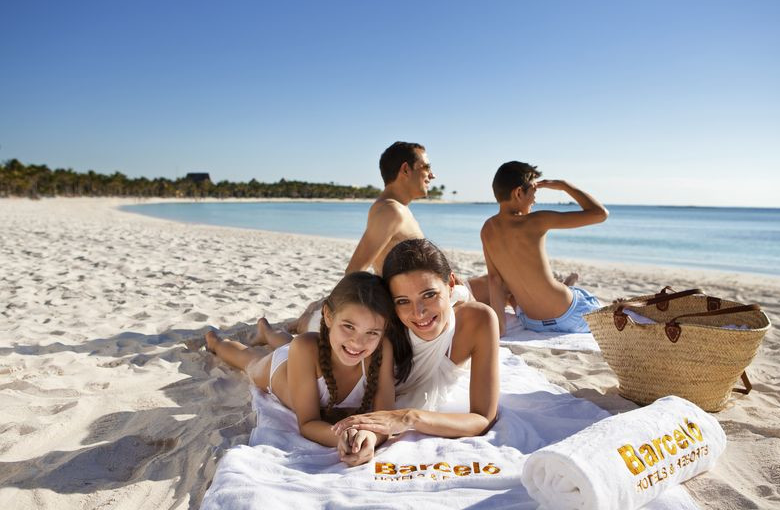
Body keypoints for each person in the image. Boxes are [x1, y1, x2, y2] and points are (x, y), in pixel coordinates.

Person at [204, 272, 399, 466]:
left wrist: (371, 437)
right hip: (282, 369)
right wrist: (341, 438)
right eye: (348, 326)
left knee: (291, 343)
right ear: (328, 316)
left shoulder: (382, 350)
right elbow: (307, 424)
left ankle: (268, 332)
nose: (358, 342)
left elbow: (385, 418)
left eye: (371, 332)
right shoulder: (305, 348)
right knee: (250, 361)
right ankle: (217, 343)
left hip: (316, 351)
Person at [332, 238, 499, 443]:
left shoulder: (480, 321)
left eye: (429, 295)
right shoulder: (379, 332)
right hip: (349, 320)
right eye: (403, 301)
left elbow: (483, 419)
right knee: (308, 325)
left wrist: (410, 417)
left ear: (451, 284)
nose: (418, 313)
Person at [480, 161, 609, 336]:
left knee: (513, 293)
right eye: (533, 191)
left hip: (532, 322)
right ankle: (567, 285)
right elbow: (600, 214)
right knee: (585, 297)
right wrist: (564, 186)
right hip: (570, 316)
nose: (535, 198)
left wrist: (499, 329)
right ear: (519, 192)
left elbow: (495, 281)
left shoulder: (487, 229)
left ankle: (566, 284)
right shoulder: (536, 221)